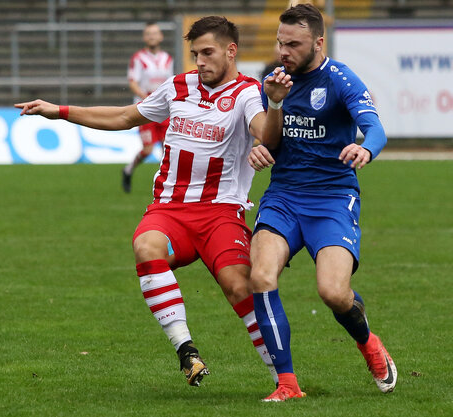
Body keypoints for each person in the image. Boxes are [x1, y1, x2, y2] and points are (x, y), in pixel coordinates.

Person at [15, 16, 278, 388]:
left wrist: (264, 139)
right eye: (194, 54)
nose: (199, 61)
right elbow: (124, 116)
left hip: (221, 212)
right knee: (145, 245)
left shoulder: (248, 93)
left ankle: (282, 380)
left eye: (207, 53)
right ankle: (186, 350)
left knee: (239, 288)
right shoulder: (177, 87)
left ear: (230, 51)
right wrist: (59, 111)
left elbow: (263, 129)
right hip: (170, 209)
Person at [247, 4, 395, 402]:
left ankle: (368, 343)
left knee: (333, 293)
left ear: (317, 41)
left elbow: (375, 128)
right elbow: (271, 141)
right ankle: (288, 384)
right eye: (280, 43)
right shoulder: (274, 81)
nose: (284, 51)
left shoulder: (341, 79)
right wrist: (270, 117)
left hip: (332, 198)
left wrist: (367, 149)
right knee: (260, 277)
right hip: (283, 197)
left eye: (293, 44)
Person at [122, 22, 174, 193]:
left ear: (161, 37)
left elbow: (169, 82)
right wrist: (148, 98)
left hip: (164, 109)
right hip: (146, 109)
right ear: (145, 37)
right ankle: (128, 170)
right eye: (149, 34)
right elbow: (132, 82)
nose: (152, 36)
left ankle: (166, 184)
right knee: (147, 149)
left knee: (168, 148)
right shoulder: (138, 58)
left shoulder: (167, 59)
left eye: (155, 33)